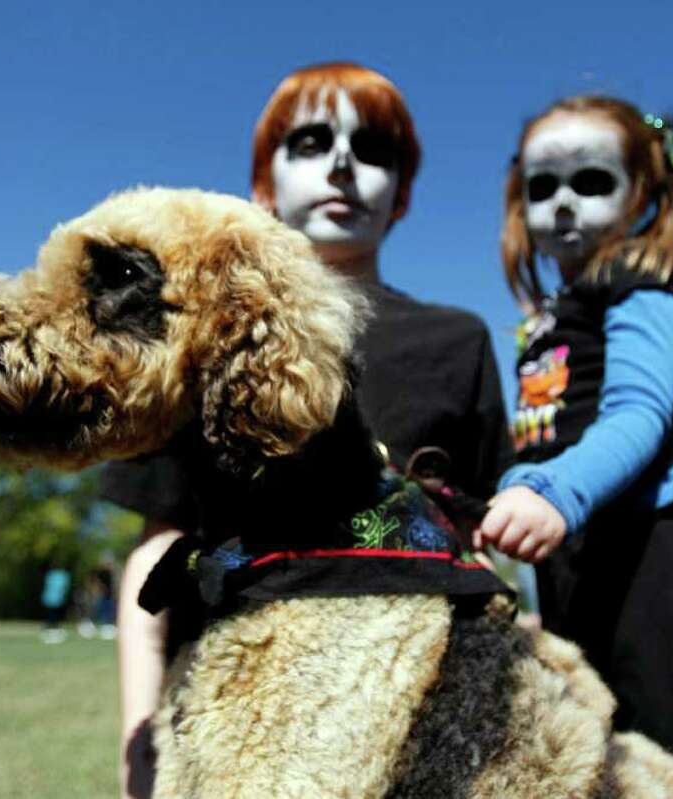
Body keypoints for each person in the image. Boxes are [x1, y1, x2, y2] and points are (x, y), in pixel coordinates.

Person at [104, 61, 512, 798]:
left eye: (374, 148)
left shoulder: (459, 341)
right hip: (228, 714)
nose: (343, 163)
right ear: (266, 182)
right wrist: (137, 731)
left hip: (411, 721)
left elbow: (474, 539)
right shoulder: (191, 331)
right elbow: (157, 544)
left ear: (405, 193)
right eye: (312, 141)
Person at [474, 95, 673, 797]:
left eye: (591, 182)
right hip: (574, 559)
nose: (563, 203)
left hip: (648, 548)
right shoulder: (549, 317)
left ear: (641, 194)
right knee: (595, 749)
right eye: (543, 185)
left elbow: (637, 415)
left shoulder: (643, 285)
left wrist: (555, 491)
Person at [39, 565, 71, 644]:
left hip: (51, 599)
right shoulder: (62, 575)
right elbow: (65, 587)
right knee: (53, 616)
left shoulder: (51, 574)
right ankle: (52, 629)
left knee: (52, 616)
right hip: (55, 599)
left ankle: (52, 629)